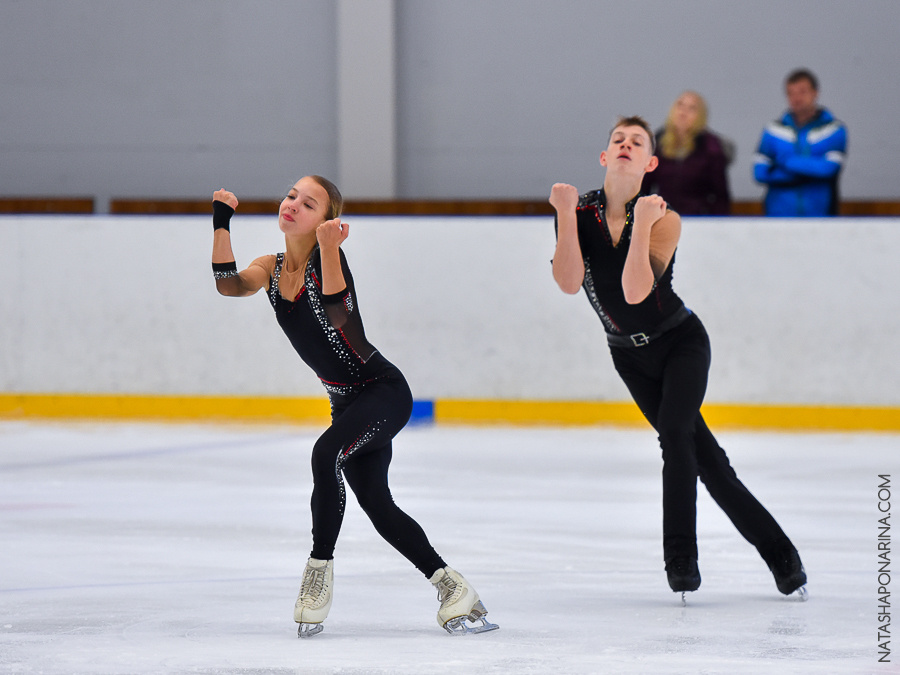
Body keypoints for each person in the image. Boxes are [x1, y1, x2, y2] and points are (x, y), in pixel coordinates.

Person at [209, 175, 498, 636]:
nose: (293, 205)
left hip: (382, 392)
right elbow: (229, 285)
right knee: (378, 505)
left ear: (326, 221)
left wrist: (328, 248)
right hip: (346, 403)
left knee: (325, 456)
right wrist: (222, 221)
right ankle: (453, 587)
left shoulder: (331, 259)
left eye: (309, 203)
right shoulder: (271, 265)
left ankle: (318, 573)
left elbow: (339, 314)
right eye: (291, 196)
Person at [550, 117, 807, 601]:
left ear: (650, 162)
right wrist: (564, 215)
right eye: (617, 140)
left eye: (637, 142)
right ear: (605, 156)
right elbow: (568, 284)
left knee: (676, 437)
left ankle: (681, 560)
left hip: (681, 343)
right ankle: (782, 556)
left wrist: (641, 225)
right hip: (628, 357)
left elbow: (634, 293)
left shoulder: (662, 217)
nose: (626, 145)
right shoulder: (577, 211)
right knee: (709, 463)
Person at [753, 68, 847, 216]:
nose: (797, 99)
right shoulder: (773, 130)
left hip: (819, 216)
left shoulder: (833, 130)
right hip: (778, 216)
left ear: (815, 93)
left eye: (802, 92)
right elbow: (760, 173)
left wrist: (785, 162)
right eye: (791, 93)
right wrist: (807, 172)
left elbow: (828, 169)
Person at [641, 91, 732, 215]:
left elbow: (720, 195)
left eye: (692, 108)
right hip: (663, 217)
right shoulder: (657, 143)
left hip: (698, 219)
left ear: (701, 115)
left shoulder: (711, 147)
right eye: (680, 105)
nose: (683, 112)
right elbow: (643, 187)